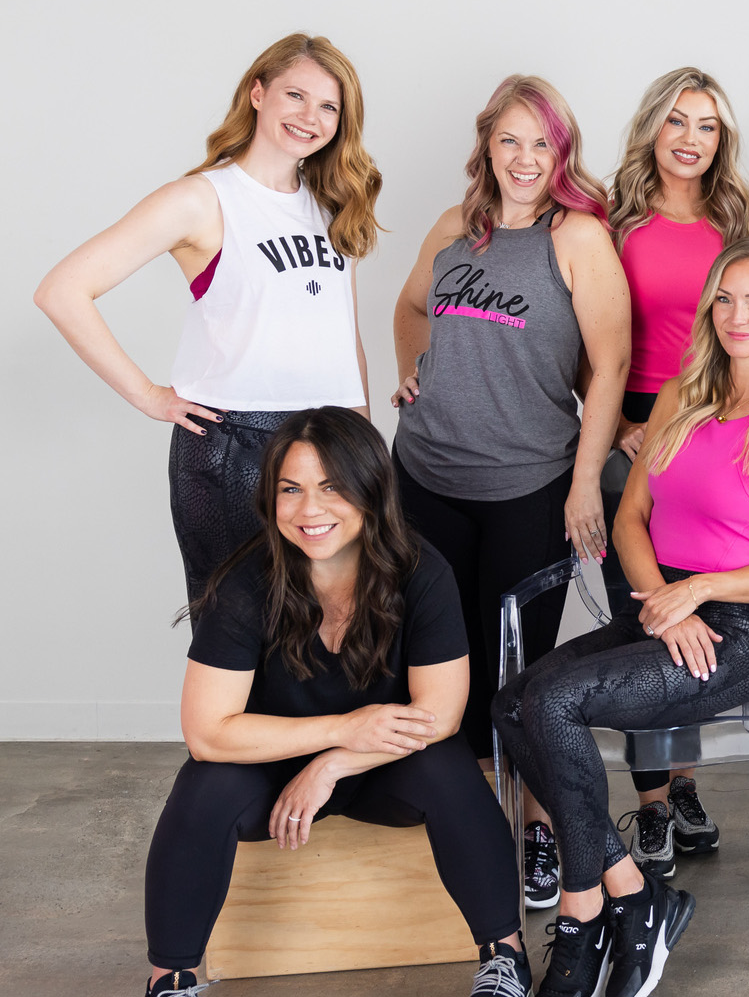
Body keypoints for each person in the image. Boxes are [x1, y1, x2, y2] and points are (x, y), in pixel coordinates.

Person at [492, 237, 749, 997]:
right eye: (726, 298)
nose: (738, 316)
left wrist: (700, 592)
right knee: (513, 701)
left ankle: (581, 921)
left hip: (730, 632)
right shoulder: (679, 395)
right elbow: (631, 521)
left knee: (552, 699)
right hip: (657, 608)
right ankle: (636, 894)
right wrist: (661, 604)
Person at [142, 408, 526, 997]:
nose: (309, 510)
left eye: (331, 487)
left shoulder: (420, 571)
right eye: (289, 489)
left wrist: (335, 761)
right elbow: (209, 732)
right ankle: (171, 977)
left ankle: (505, 956)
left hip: (384, 766)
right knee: (205, 783)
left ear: (371, 489)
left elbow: (440, 714)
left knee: (448, 765)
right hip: (269, 776)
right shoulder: (247, 583)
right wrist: (345, 728)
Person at [388, 74, 631, 909]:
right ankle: (461, 826)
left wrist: (583, 483)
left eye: (542, 144)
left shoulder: (579, 237)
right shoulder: (456, 229)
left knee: (516, 681)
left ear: (560, 153)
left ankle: (535, 827)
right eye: (510, 140)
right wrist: (408, 369)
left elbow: (612, 367)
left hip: (530, 486)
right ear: (486, 143)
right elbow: (409, 306)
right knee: (433, 666)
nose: (524, 159)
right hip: (423, 480)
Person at [34, 34, 381, 602]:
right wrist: (149, 395)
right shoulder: (203, 198)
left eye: (328, 106)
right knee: (236, 629)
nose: (310, 117)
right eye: (295, 95)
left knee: (327, 630)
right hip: (237, 445)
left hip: (329, 441)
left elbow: (344, 335)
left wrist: (362, 436)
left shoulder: (332, 204)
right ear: (257, 93)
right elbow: (62, 290)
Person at [601, 66, 749, 879]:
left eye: (706, 125)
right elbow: (585, 340)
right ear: (653, 131)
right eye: (677, 122)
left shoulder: (735, 226)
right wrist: (623, 424)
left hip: (713, 431)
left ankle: (685, 786)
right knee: (646, 614)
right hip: (634, 429)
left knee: (701, 602)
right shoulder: (613, 225)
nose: (691, 139)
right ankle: (652, 799)